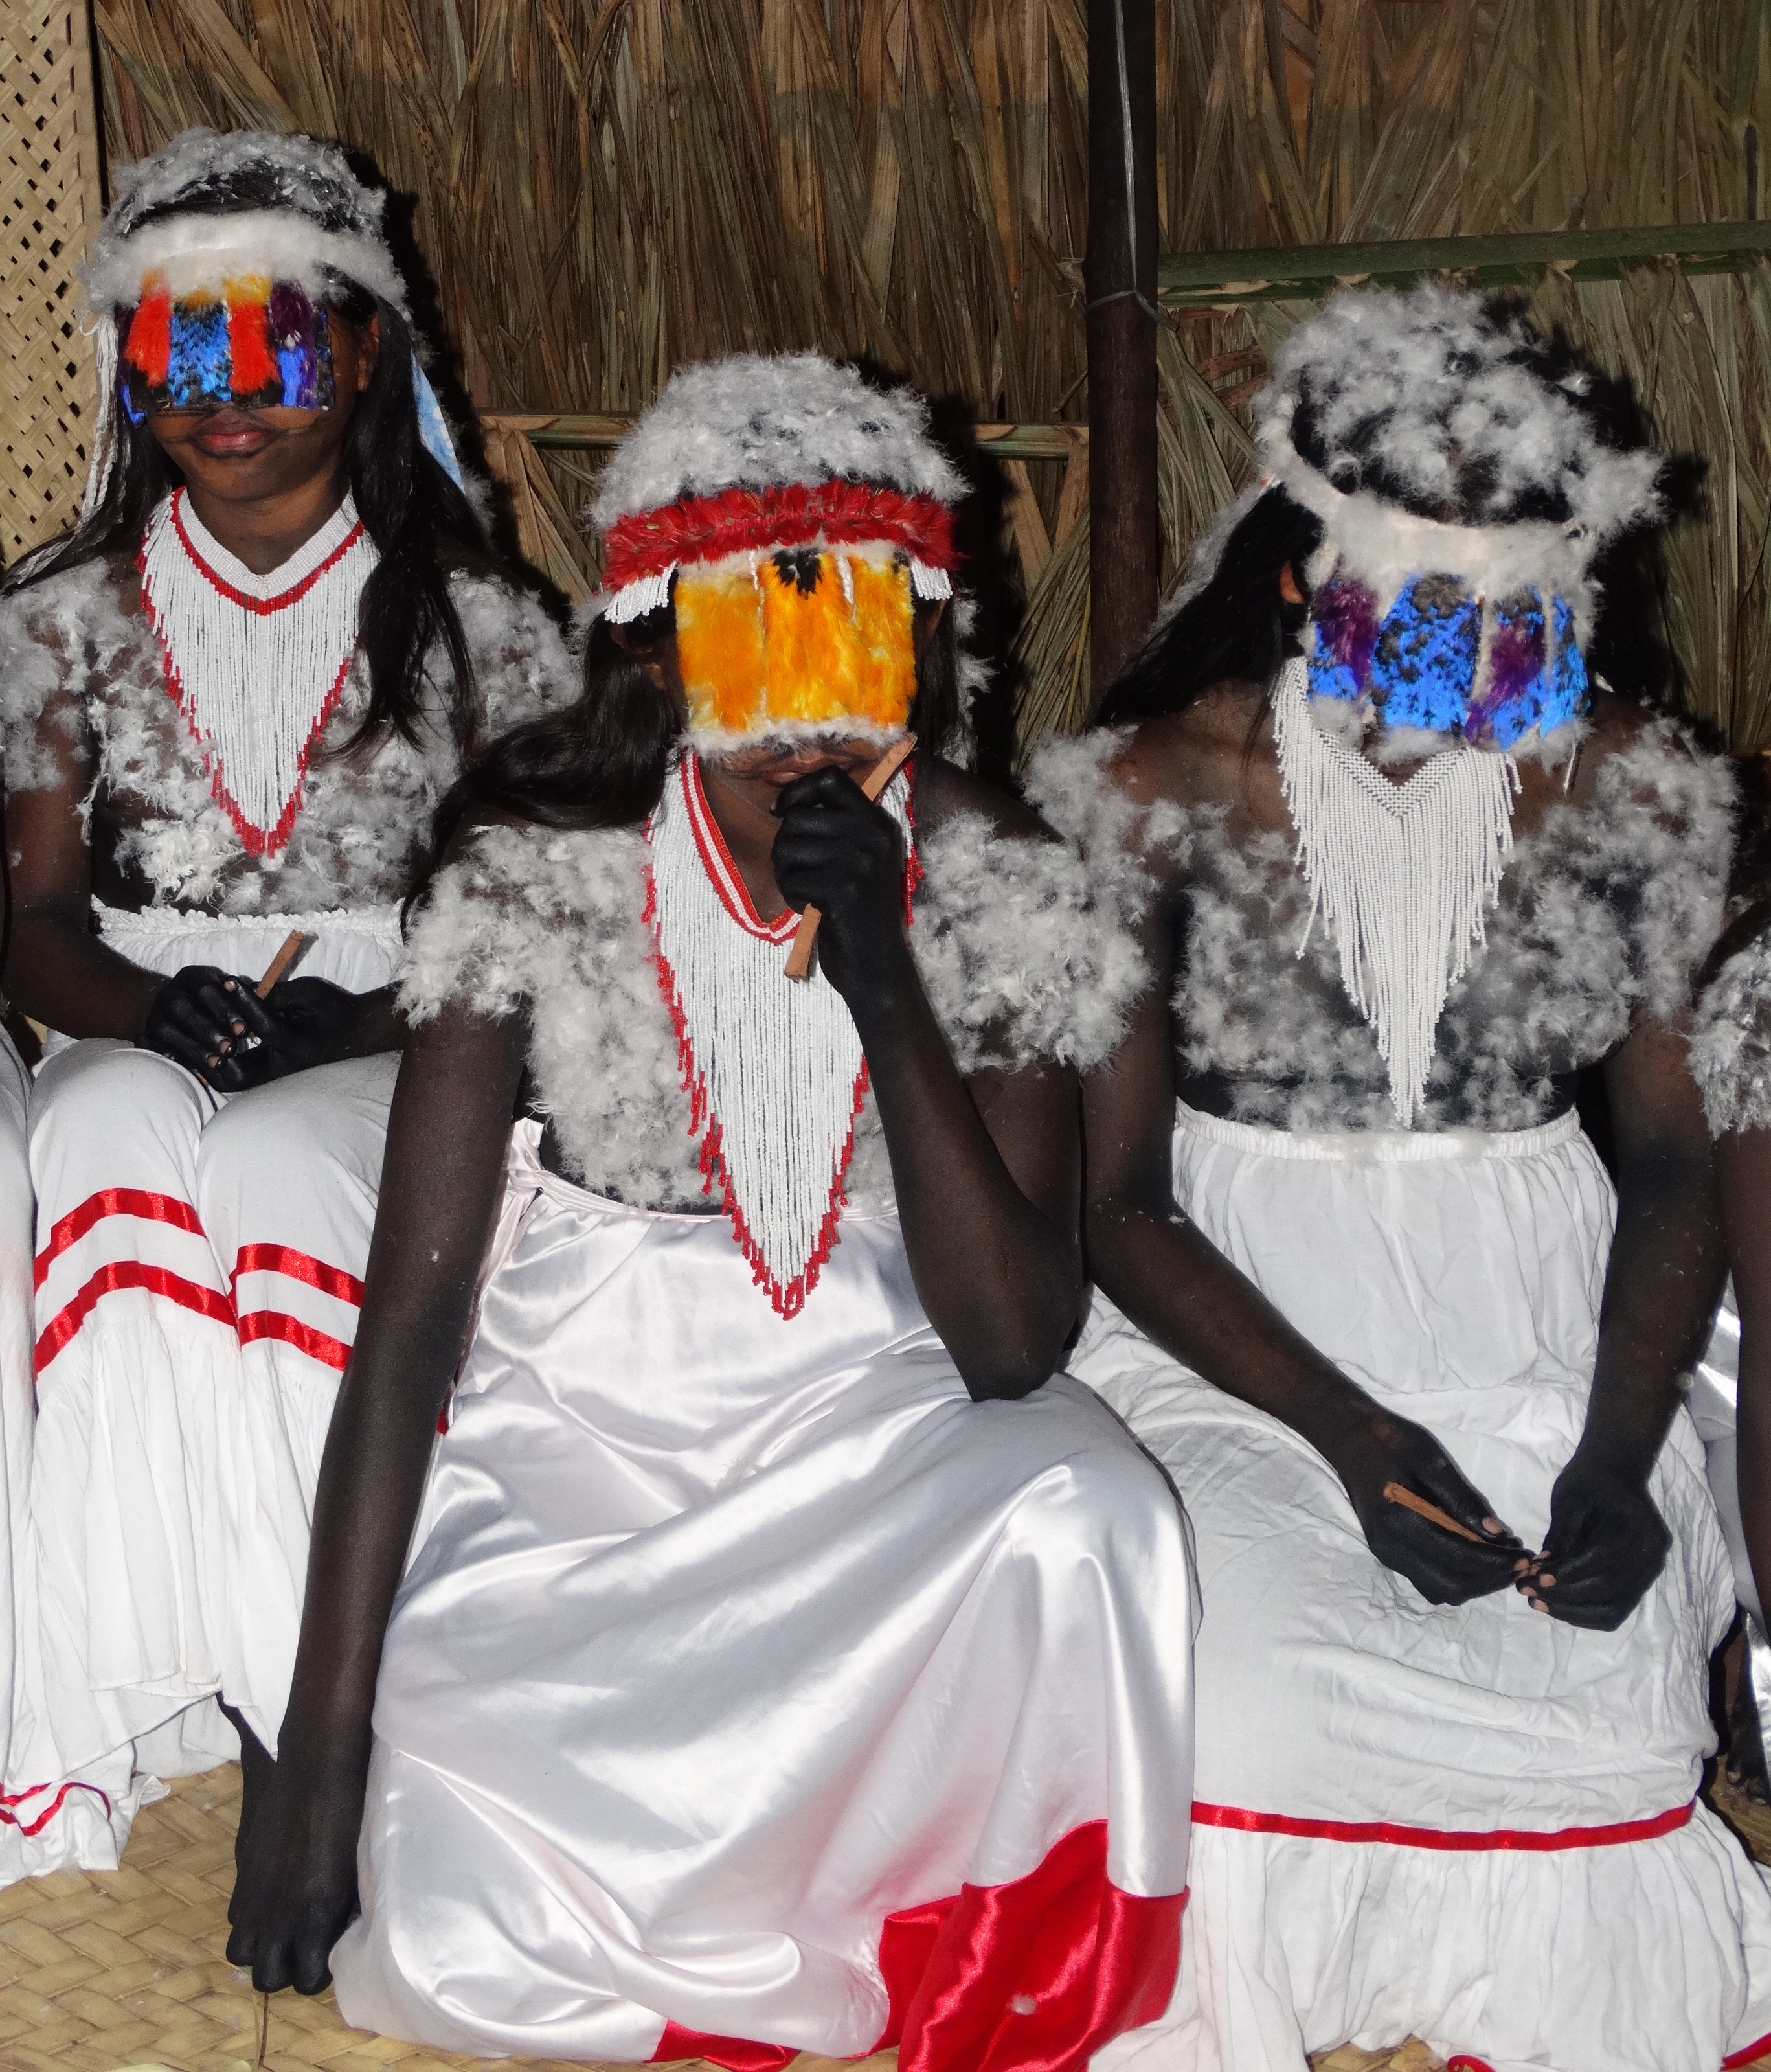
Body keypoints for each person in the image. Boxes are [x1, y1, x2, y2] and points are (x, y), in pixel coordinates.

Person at [224, 354, 1196, 2069]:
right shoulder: (532, 871)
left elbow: (1012, 1344)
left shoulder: (1000, 880)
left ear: (922, 646)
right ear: (665, 647)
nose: (809, 720)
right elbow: (413, 1325)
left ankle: (941, 1935)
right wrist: (322, 1753)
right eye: (758, 646)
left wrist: (885, 973)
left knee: (1089, 1509)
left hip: (877, 1420)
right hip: (580, 1462)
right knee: (459, 1951)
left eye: (855, 643)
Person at [1030, 284, 1771, 2071]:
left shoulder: (1632, 787)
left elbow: (1677, 1162)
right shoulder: (1148, 788)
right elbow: (1116, 1203)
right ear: (1306, 579)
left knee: (1604, 1729)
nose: (1460, 678)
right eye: (1415, 619)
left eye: (1510, 633)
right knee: (1247, 1705)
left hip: (1547, 1336)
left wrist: (1618, 1459)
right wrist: (1352, 1438)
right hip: (1238, 1351)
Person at [0, 127, 570, 1873]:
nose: (222, 395)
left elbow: (537, 914)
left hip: (407, 1028)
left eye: (272, 341)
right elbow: (29, 917)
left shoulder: (481, 622)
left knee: (263, 1170)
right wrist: (142, 1010)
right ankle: (120, 1677)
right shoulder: (57, 616)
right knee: (101, 1127)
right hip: (133, 1010)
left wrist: (377, 1022)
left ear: (367, 345)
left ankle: (293, 1699)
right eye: (177, 349)